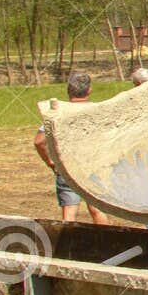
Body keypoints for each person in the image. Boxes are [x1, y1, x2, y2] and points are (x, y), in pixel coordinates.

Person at [33, 71, 107, 225]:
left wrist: (50, 162)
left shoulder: (57, 112)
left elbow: (39, 142)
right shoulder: (98, 111)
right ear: (89, 90)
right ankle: (107, 240)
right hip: (93, 166)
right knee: (97, 209)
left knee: (69, 212)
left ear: (68, 90)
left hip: (67, 166)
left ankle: (68, 241)